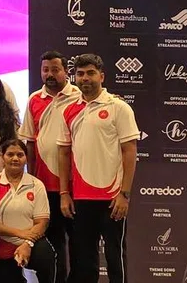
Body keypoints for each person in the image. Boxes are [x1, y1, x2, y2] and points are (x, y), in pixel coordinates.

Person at [58, 54, 139, 283]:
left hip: (112, 198)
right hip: (81, 198)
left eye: (91, 73)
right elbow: (63, 153)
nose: (85, 78)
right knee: (85, 261)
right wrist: (64, 193)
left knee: (115, 258)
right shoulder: (69, 110)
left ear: (101, 76)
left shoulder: (119, 107)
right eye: (80, 74)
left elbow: (130, 151)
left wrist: (124, 194)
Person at [19, 51, 79, 283]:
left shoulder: (79, 97)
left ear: (66, 71)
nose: (50, 74)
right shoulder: (34, 99)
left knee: (79, 243)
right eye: (46, 70)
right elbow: (30, 143)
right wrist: (31, 180)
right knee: (54, 245)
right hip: (45, 187)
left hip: (76, 185)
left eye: (55, 69)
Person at [0, 139, 56, 283]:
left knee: (46, 255)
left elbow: (42, 222)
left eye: (20, 155)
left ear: (26, 158)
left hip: (30, 242)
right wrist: (19, 233)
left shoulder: (36, 185)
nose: (15, 158)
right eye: (10, 154)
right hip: (0, 246)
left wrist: (27, 243)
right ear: (2, 158)